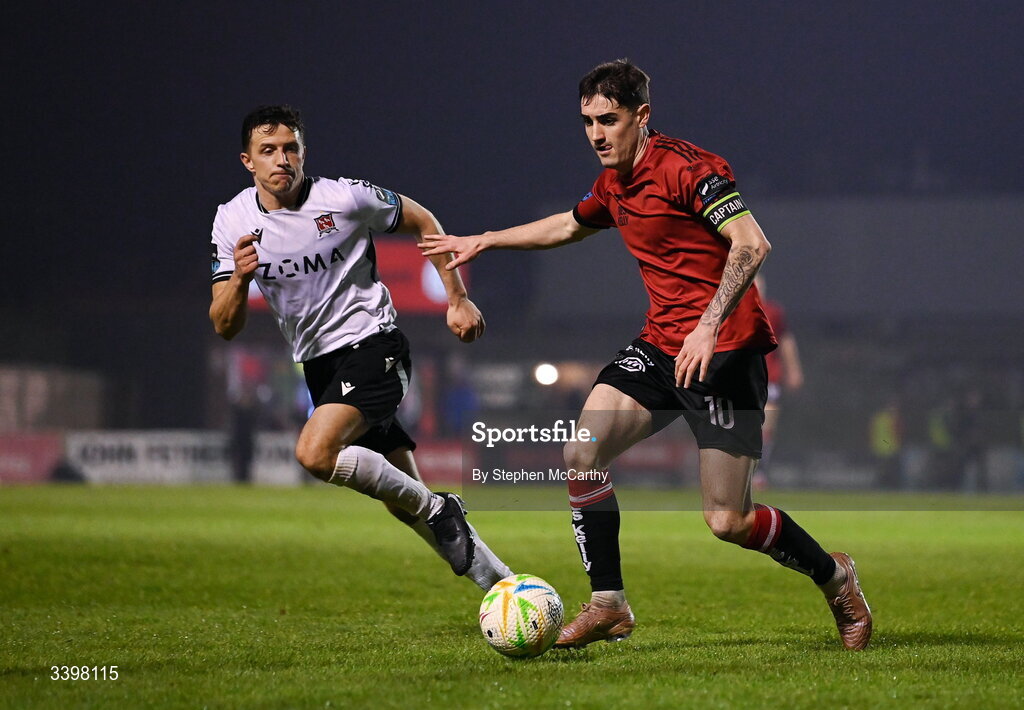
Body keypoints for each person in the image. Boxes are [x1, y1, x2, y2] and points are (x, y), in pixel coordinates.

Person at [420, 61, 871, 650]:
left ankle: (836, 578)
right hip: (661, 347)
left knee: (727, 521)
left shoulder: (690, 169)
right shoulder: (614, 184)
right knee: (582, 450)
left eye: (608, 120)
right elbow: (568, 225)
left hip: (725, 354)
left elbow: (751, 243)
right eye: (587, 122)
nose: (596, 134)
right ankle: (608, 603)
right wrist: (487, 239)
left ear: (642, 116)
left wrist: (708, 327)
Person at [209, 105, 512, 590]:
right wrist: (241, 279)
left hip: (375, 346)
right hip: (317, 364)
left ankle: (440, 507)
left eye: (291, 148)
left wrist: (457, 298)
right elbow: (225, 324)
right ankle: (505, 586)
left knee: (314, 452)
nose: (281, 159)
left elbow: (423, 220)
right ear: (248, 161)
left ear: (304, 152)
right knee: (401, 498)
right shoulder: (231, 221)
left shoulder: (344, 198)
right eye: (268, 151)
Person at [752, 273, 804, 489]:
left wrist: (794, 369)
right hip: (739, 378)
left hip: (768, 376)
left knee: (766, 423)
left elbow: (785, 339)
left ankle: (759, 472)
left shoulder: (773, 311)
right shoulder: (731, 311)